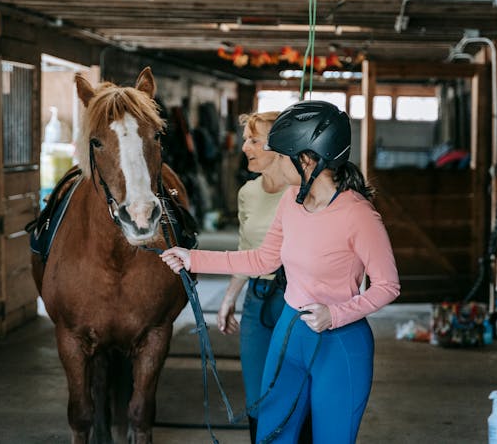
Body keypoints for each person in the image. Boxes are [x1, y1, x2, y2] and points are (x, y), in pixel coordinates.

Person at [162, 100, 400, 443]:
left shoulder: (359, 215)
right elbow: (263, 260)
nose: (274, 158)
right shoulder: (292, 200)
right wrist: (192, 259)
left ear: (307, 160)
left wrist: (335, 314)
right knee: (273, 436)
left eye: (282, 153)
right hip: (290, 332)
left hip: (339, 341)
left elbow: (388, 286)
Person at [216, 111, 290, 442]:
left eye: (254, 140)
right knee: (257, 394)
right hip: (257, 298)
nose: (245, 147)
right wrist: (229, 298)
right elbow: (247, 248)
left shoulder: (305, 191)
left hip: (297, 298)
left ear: (280, 146)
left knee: (293, 389)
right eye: (246, 139)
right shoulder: (248, 192)